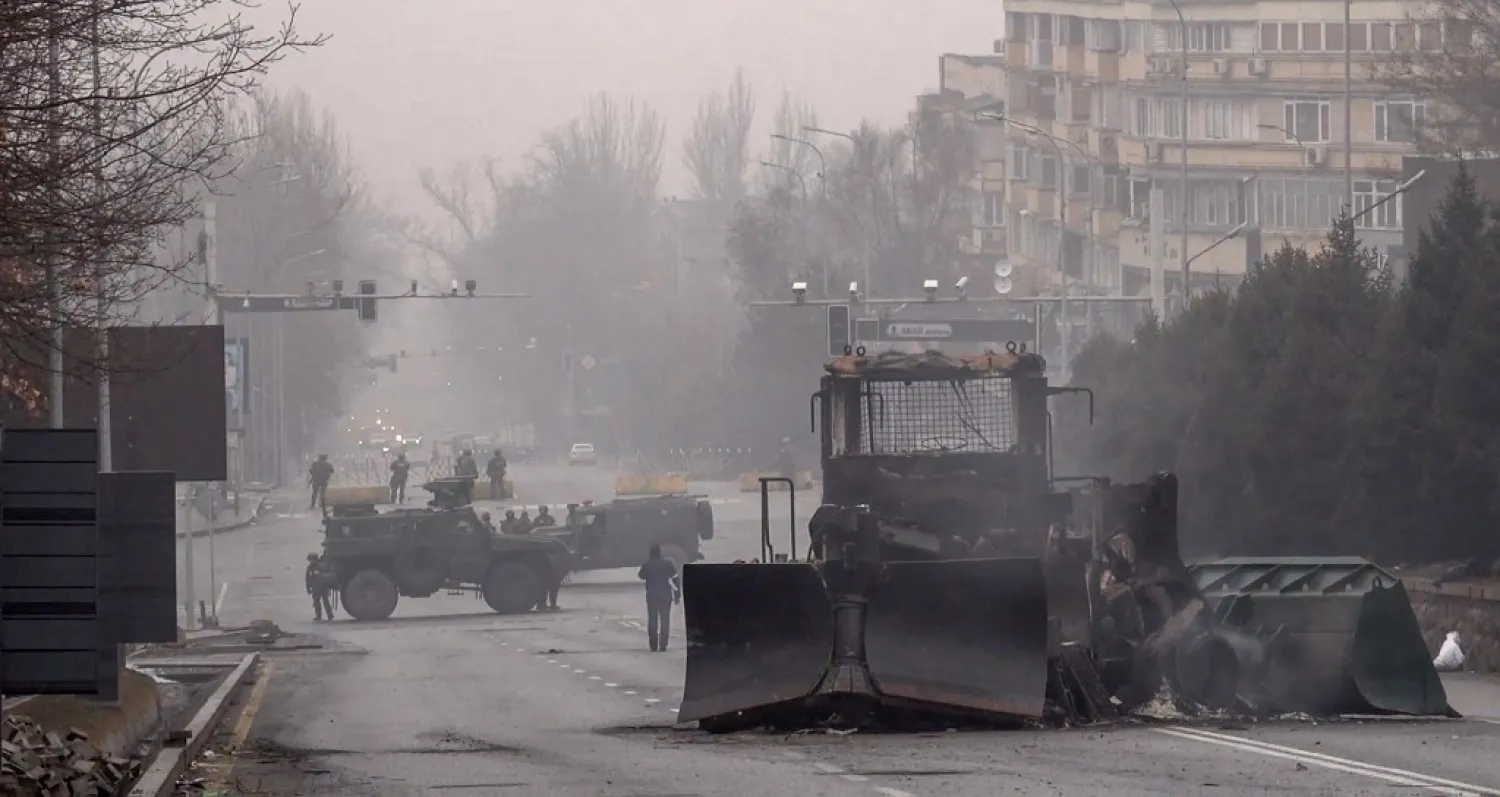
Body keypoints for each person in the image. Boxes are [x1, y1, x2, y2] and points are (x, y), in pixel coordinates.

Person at [637, 543, 681, 652]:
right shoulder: (667, 564)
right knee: (665, 619)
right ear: (660, 553)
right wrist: (677, 594)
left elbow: (641, 575)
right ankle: (663, 645)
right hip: (665, 594)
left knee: (652, 619)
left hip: (652, 595)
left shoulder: (647, 565)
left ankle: (653, 644)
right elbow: (675, 579)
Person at [305, 553, 336, 621]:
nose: (311, 561)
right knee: (316, 602)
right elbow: (307, 578)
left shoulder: (321, 566)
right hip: (316, 588)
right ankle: (318, 615)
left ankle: (330, 615)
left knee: (325, 601)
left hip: (323, 587)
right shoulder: (310, 568)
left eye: (312, 560)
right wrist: (308, 587)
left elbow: (326, 577)